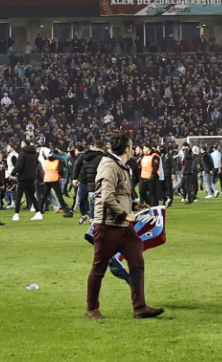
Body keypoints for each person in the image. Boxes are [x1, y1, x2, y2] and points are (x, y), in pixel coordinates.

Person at [86, 134, 164, 320]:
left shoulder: (119, 165)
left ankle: (140, 307)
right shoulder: (109, 166)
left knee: (137, 262)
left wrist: (134, 206)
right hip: (107, 226)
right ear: (128, 149)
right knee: (99, 267)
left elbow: (120, 194)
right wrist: (124, 214)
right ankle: (92, 308)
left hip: (124, 227)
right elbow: (106, 197)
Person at [71, 140, 104, 223]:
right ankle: (85, 214)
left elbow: (77, 165)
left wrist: (75, 178)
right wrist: (75, 178)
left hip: (93, 180)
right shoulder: (86, 155)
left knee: (93, 199)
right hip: (85, 180)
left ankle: (92, 217)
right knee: (83, 199)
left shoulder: (86, 154)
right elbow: (77, 165)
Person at [11, 143, 42, 221]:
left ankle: (16, 214)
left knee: (19, 196)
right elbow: (36, 163)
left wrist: (13, 173)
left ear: (24, 144)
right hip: (31, 177)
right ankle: (38, 212)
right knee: (32, 195)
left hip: (23, 177)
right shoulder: (34, 154)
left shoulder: (22, 153)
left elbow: (19, 165)